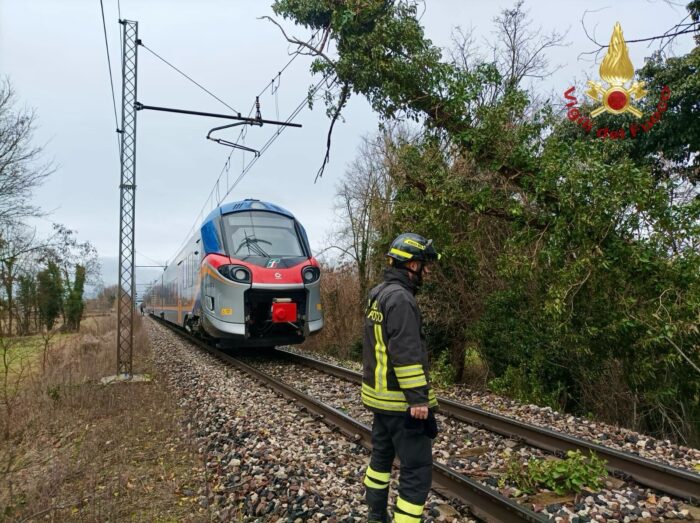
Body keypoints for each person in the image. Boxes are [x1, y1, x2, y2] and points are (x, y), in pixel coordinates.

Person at [362, 233, 440, 523]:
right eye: (423, 264)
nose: (427, 271)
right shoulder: (402, 300)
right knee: (417, 469)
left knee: (381, 457)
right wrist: (418, 399)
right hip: (400, 402)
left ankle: (376, 515)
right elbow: (406, 353)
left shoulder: (377, 294)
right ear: (410, 265)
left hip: (379, 399)